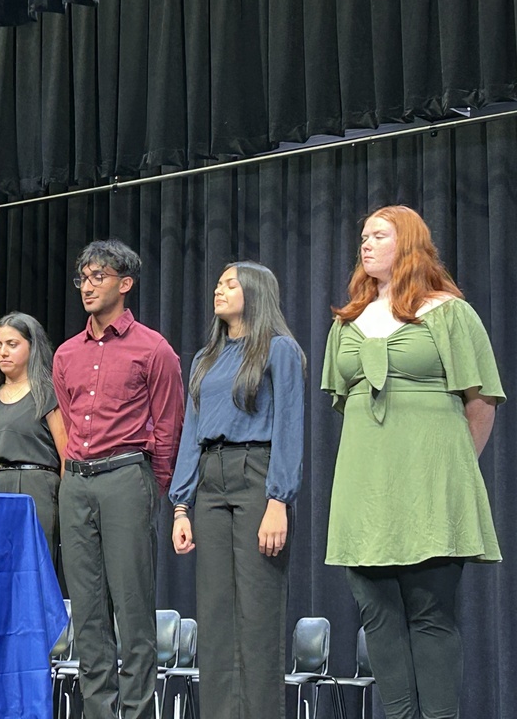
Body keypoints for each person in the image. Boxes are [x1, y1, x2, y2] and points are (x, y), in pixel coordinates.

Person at [322, 205, 504, 719]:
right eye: (363, 236)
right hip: (365, 485)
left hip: (432, 479)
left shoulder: (448, 312)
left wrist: (452, 471)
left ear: (409, 244)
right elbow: (345, 403)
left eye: (379, 235)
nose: (366, 243)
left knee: (430, 613)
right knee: (377, 615)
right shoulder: (348, 321)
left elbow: (480, 400)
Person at [52, 239, 184, 719]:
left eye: (98, 277)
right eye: (82, 278)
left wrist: (157, 492)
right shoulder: (66, 353)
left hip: (127, 475)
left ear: (124, 284)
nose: (87, 287)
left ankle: (136, 712)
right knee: (86, 609)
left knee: (132, 605)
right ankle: (98, 712)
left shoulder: (154, 349)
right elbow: (66, 422)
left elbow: (169, 427)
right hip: (78, 482)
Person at [169, 261, 305, 719]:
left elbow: (288, 427)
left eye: (230, 283)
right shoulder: (204, 359)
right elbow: (192, 432)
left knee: (258, 614)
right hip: (209, 479)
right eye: (219, 283)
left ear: (255, 291)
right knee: (214, 614)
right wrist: (181, 506)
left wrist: (278, 500)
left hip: (257, 475)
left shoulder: (279, 350)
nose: (218, 289)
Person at [0, 312, 67, 565]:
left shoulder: (47, 393)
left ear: (32, 346)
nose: (3, 352)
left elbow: (66, 455)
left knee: (32, 566)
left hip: (35, 488)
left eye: (12, 344)